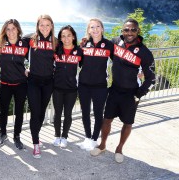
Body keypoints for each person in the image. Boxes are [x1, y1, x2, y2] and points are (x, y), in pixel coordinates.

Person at [90, 18, 155, 163]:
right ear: (122, 31)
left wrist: (138, 95)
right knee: (106, 120)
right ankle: (102, 145)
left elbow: (152, 78)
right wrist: (85, 41)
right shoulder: (114, 42)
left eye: (133, 29)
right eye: (126, 29)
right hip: (114, 89)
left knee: (127, 123)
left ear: (138, 31)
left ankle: (119, 148)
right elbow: (98, 44)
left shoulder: (145, 52)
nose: (129, 32)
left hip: (131, 93)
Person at [76, 18, 114, 151]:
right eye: (92, 27)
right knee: (85, 112)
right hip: (84, 85)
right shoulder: (84, 44)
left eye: (98, 26)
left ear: (102, 29)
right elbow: (78, 62)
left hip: (100, 86)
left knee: (98, 113)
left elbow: (121, 62)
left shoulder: (109, 45)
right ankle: (87, 137)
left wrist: (139, 71)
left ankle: (94, 138)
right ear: (88, 30)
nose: (95, 29)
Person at [23, 14, 56, 158]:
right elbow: (10, 43)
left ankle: (36, 134)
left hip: (48, 82)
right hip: (33, 81)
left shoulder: (55, 41)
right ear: (37, 26)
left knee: (42, 112)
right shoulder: (30, 39)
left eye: (47, 25)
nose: (44, 27)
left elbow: (67, 52)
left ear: (52, 26)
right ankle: (35, 144)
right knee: (35, 112)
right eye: (41, 24)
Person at [0, 19, 29, 150]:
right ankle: (3, 133)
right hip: (5, 83)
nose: (11, 32)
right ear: (5, 31)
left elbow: (37, 53)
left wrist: (29, 69)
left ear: (18, 30)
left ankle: (17, 136)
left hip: (21, 84)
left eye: (13, 28)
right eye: (8, 29)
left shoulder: (25, 43)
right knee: (3, 111)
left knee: (19, 112)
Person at [52, 25, 83, 148]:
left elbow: (86, 66)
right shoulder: (56, 50)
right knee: (57, 113)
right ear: (60, 38)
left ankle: (64, 136)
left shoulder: (79, 51)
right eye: (63, 36)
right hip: (57, 88)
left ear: (73, 36)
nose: (66, 39)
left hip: (71, 89)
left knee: (68, 114)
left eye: (69, 35)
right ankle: (57, 136)